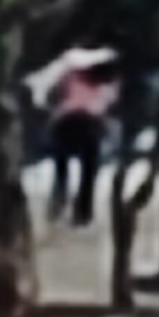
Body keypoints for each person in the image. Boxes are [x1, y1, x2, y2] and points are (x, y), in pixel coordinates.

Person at [44, 55, 114, 229]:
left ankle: (59, 207)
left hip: (68, 121)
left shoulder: (69, 73)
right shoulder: (104, 76)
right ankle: (82, 213)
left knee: (62, 170)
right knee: (88, 173)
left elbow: (52, 96)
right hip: (90, 123)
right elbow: (108, 103)